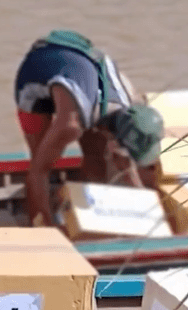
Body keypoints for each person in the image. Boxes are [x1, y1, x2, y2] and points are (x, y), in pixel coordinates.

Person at [14, 29, 165, 227]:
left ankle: (87, 219)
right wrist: (50, 234)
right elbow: (38, 173)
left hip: (83, 76)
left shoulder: (132, 100)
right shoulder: (71, 124)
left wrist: (153, 214)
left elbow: (126, 164)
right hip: (37, 72)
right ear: (114, 141)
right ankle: (40, 225)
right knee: (41, 165)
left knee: (96, 159)